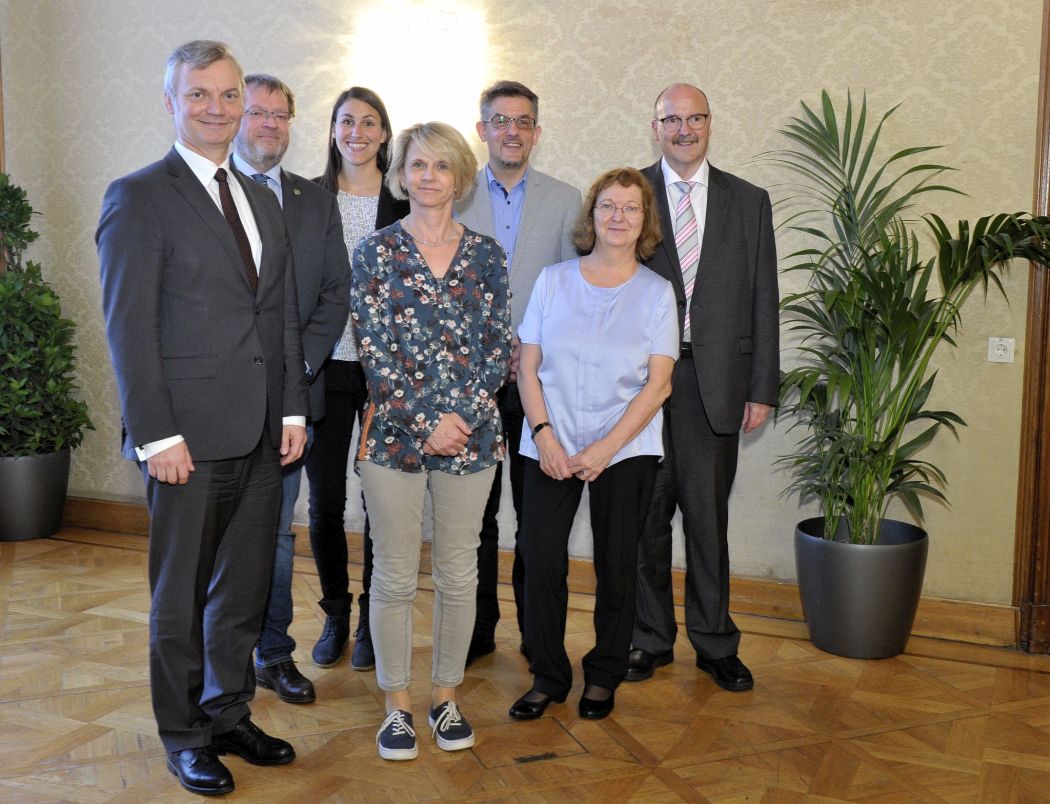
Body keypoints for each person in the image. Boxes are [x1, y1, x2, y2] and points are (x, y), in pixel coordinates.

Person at [97, 41, 308, 796]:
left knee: (243, 590)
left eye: (228, 97)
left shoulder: (258, 197)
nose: (217, 109)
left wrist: (291, 408)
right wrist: (156, 435)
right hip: (184, 439)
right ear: (172, 103)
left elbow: (277, 312)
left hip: (260, 436)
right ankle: (183, 735)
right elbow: (129, 329)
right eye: (200, 96)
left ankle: (227, 714)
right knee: (180, 597)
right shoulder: (139, 196)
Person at [351, 122, 511, 760]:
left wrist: (463, 418)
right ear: (401, 174)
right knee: (391, 575)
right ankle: (397, 706)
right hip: (392, 438)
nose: (428, 176)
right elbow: (372, 350)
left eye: (441, 166)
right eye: (417, 165)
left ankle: (445, 698)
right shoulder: (375, 252)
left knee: (457, 572)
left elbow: (500, 345)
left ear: (460, 177)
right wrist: (426, 421)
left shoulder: (487, 255)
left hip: (471, 440)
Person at [508, 168, 677, 722]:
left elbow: (659, 385)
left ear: (645, 221)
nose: (618, 217)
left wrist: (605, 448)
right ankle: (549, 675)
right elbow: (526, 367)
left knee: (617, 564)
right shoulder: (554, 281)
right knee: (540, 559)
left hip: (625, 450)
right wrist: (544, 435)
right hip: (548, 445)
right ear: (592, 215)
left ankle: (603, 674)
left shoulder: (657, 294)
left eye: (631, 208)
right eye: (608, 206)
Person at [627, 83, 779, 692]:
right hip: (638, 386)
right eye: (672, 119)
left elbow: (763, 296)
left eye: (695, 119)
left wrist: (762, 384)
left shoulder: (749, 200)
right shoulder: (628, 194)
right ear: (655, 125)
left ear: (710, 124)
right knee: (643, 516)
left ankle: (715, 642)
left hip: (716, 383)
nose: (683, 129)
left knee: (707, 519)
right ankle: (649, 638)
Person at [231, 74, 350, 705]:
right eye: (258, 112)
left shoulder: (314, 200)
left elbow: (335, 295)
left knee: (277, 534)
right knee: (224, 537)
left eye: (280, 114)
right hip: (220, 403)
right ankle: (221, 659)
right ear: (236, 117)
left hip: (292, 403)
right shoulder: (212, 195)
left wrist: (292, 368)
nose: (269, 124)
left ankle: (273, 653)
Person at [455, 80, 581, 664]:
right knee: (474, 518)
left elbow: (573, 295)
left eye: (524, 121)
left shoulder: (565, 199)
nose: (512, 131)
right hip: (468, 385)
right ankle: (477, 632)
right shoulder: (451, 196)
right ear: (482, 129)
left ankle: (537, 635)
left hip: (538, 385)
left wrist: (527, 347)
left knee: (536, 523)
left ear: (536, 131)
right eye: (501, 120)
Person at [307, 87, 409, 672]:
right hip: (323, 371)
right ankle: (336, 612)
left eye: (370, 122)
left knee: (380, 502)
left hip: (383, 375)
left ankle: (373, 615)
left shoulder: (402, 203)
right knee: (325, 502)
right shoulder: (306, 198)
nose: (358, 132)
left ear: (384, 134)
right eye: (347, 121)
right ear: (333, 130)